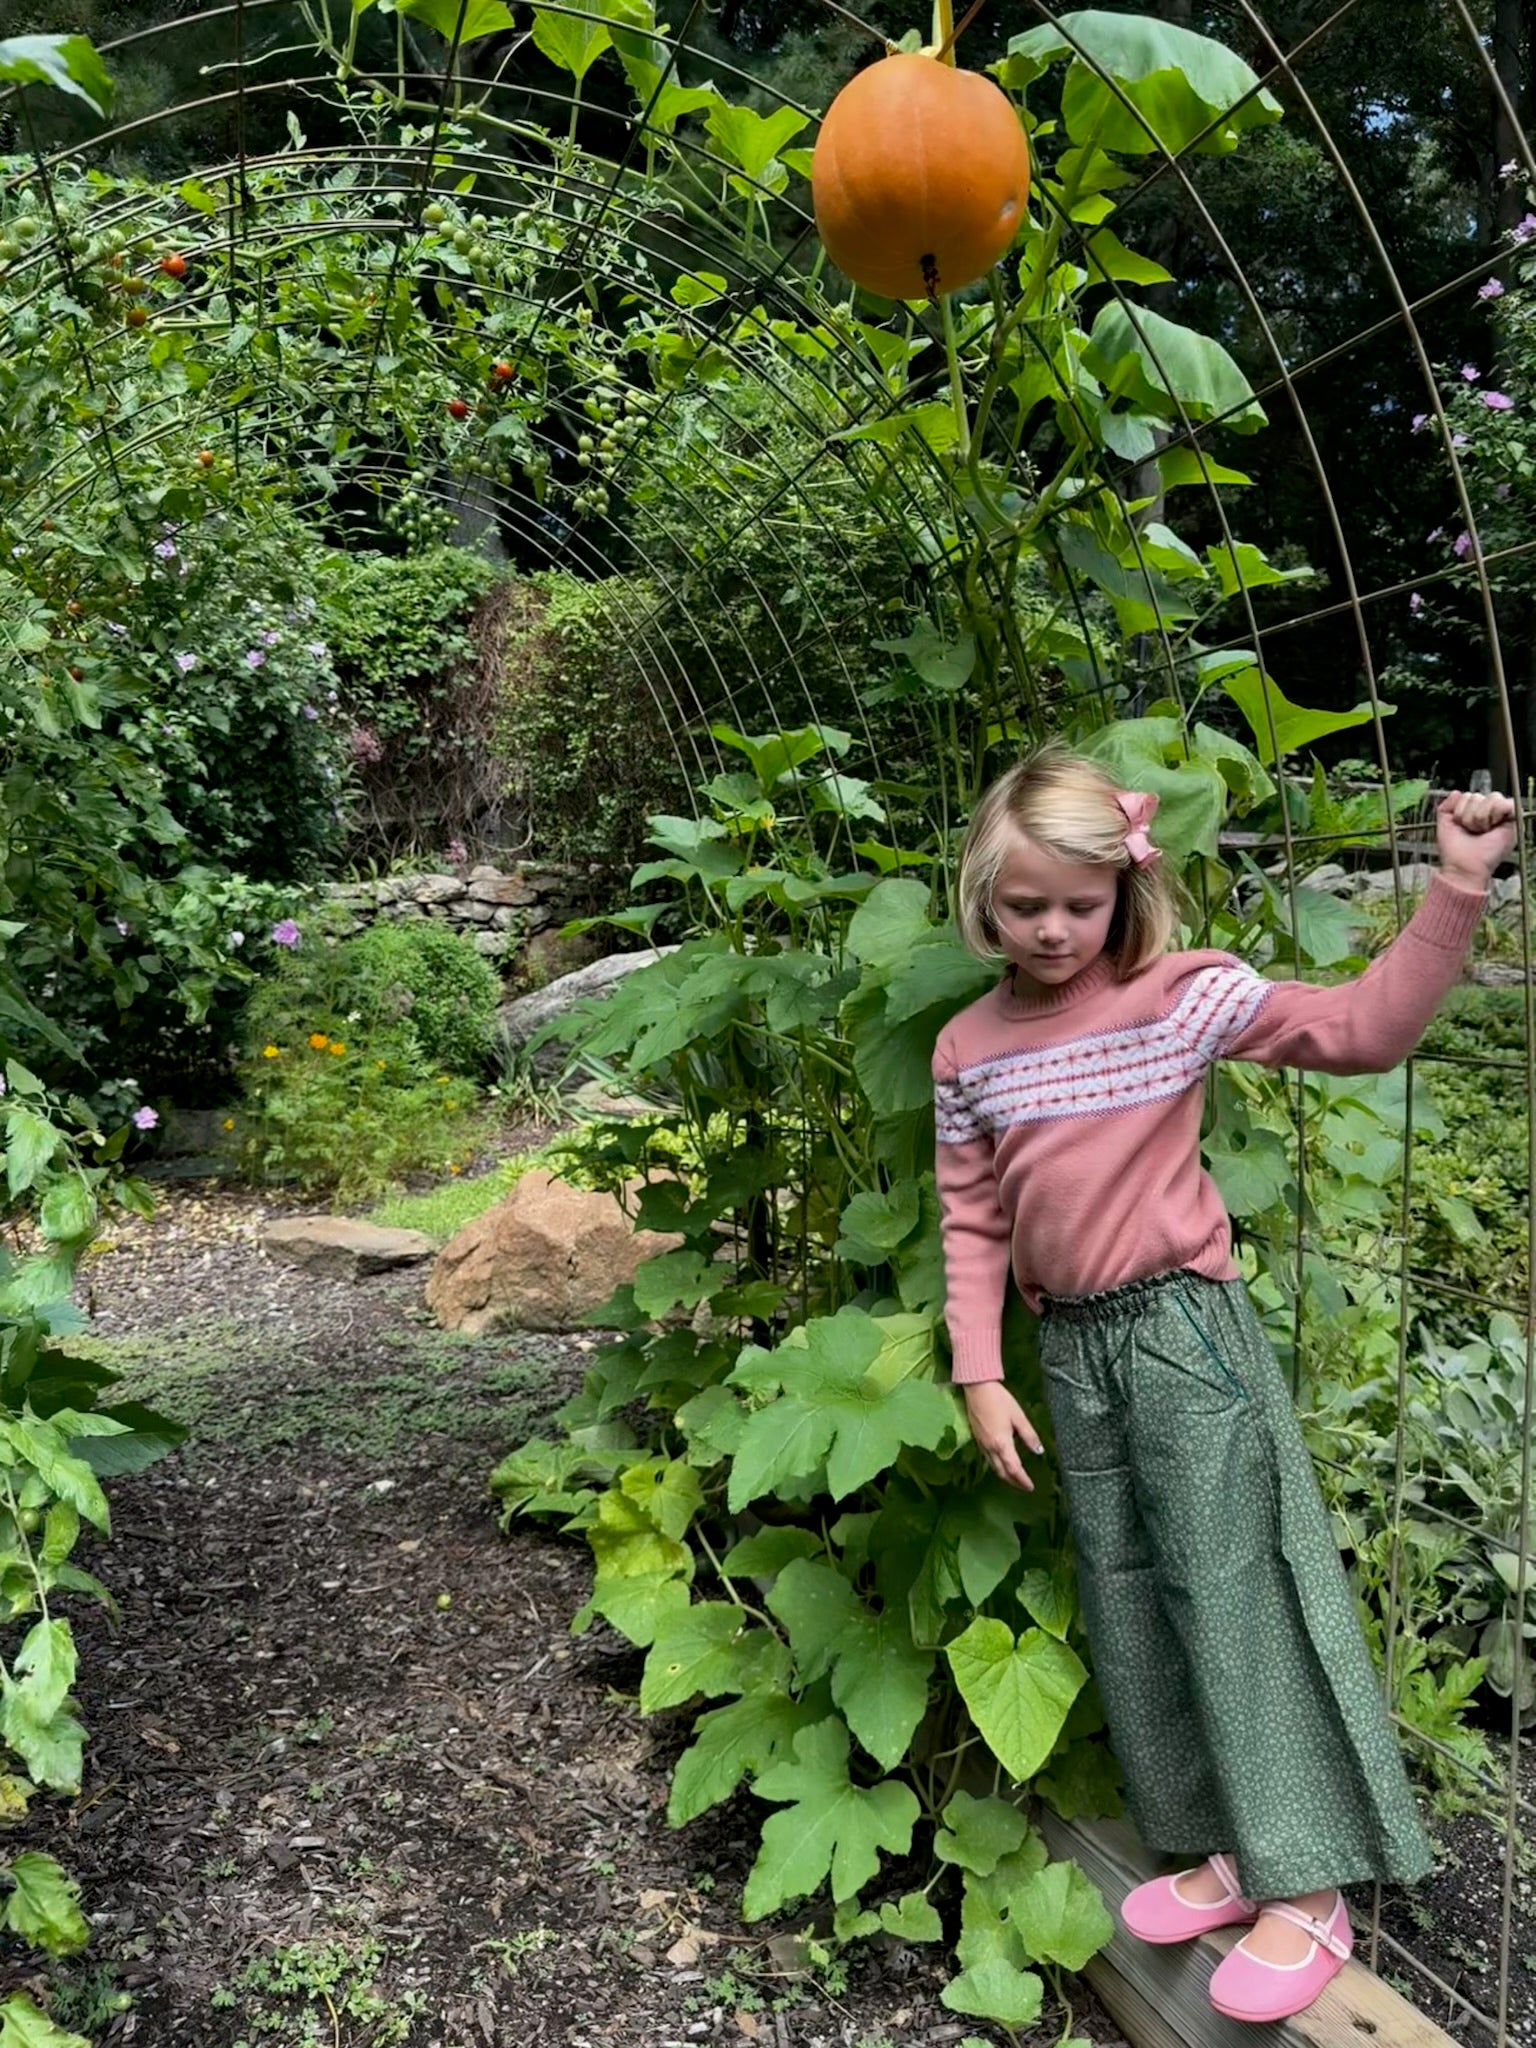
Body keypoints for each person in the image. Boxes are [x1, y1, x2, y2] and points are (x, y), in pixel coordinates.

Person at [930, 740, 1516, 2025]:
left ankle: (1308, 1882)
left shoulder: (1178, 997)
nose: (1053, 928)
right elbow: (971, 1217)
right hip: (1072, 1349)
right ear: (982, 896)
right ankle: (1230, 1844)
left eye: (1080, 903)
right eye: (1025, 904)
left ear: (1123, 890)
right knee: (1131, 1590)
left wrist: (1458, 885)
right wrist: (979, 1367)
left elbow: (1361, 1031)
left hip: (1180, 1333)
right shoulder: (967, 1048)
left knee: (1233, 1585)